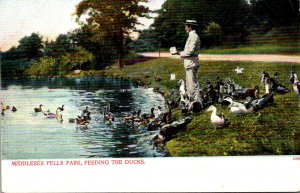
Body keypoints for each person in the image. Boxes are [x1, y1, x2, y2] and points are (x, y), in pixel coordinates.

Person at [179, 20, 202, 109]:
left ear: (190, 27)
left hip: (191, 63)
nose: (185, 28)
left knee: (193, 85)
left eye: (186, 26)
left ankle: (197, 104)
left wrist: (179, 53)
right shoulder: (192, 36)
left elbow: (191, 51)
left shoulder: (193, 36)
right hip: (190, 63)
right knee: (189, 85)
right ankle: (193, 103)